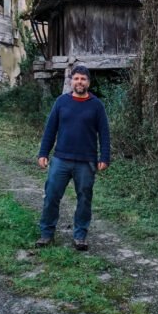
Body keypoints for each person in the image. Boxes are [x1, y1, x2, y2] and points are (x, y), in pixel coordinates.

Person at [36, 65, 110, 251]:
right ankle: (46, 233)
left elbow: (104, 134)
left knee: (84, 198)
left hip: (86, 161)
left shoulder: (96, 105)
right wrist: (43, 153)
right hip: (61, 159)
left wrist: (105, 157)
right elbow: (50, 129)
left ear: (88, 83)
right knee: (52, 195)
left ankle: (80, 236)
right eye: (76, 79)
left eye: (83, 79)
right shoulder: (61, 102)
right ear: (71, 81)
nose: (79, 82)